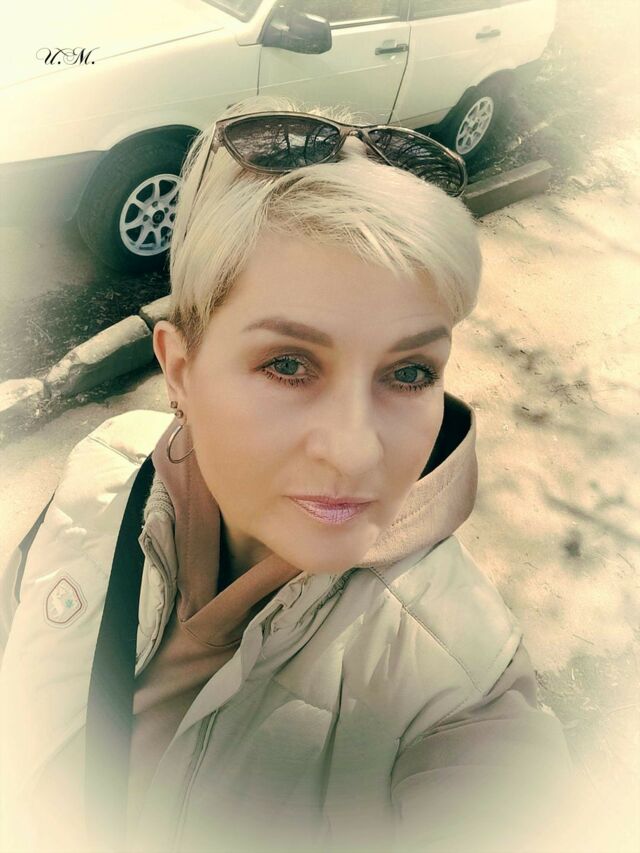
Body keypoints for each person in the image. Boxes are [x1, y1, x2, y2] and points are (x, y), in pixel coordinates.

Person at [0, 94, 575, 853]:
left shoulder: (462, 691)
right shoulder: (100, 473)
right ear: (180, 370)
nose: (356, 452)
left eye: (409, 372)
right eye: (289, 364)